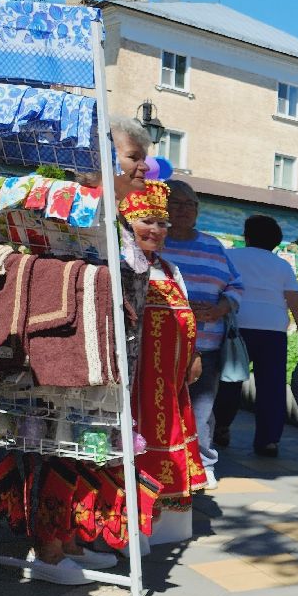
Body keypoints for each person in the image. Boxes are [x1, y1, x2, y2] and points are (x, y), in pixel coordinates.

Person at [122, 180, 206, 518]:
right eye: (146, 221)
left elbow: (185, 318)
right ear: (127, 223)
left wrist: (194, 356)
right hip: (132, 385)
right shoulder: (119, 267)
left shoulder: (170, 270)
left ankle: (155, 515)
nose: (155, 230)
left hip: (168, 388)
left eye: (162, 223)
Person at [162, 180, 242, 489]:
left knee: (201, 407)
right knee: (160, 404)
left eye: (190, 204)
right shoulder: (156, 240)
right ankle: (162, 460)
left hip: (206, 343)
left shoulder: (213, 245)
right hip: (160, 341)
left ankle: (204, 463)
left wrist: (220, 309)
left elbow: (236, 286)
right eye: (176, 203)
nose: (183, 210)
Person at [213, 216, 298, 457]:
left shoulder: (230, 256)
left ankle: (222, 427)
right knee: (272, 387)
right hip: (273, 331)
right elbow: (297, 306)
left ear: (247, 236)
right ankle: (269, 441)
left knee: (229, 380)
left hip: (237, 327)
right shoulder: (282, 266)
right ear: (276, 241)